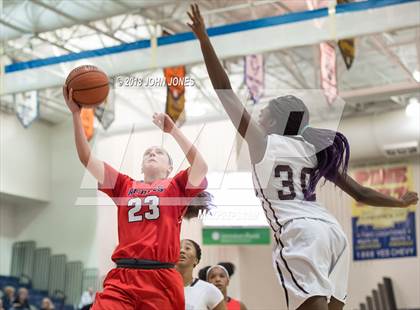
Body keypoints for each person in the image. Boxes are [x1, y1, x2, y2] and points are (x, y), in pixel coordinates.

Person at [187, 4, 419, 310]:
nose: (259, 113)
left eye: (264, 112)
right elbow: (361, 192)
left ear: (274, 122)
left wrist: (204, 39)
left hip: (299, 233)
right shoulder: (315, 150)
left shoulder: (262, 142)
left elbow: (225, 92)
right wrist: (399, 203)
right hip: (333, 234)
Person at [63, 85, 208, 310]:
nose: (152, 153)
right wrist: (75, 114)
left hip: (161, 279)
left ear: (169, 167)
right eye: (147, 153)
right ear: (141, 165)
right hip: (123, 276)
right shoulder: (123, 184)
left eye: (158, 152)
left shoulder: (176, 186)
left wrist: (173, 131)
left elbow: (201, 165)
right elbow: (86, 158)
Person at [176, 239, 225, 310]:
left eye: (187, 248)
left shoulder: (209, 290)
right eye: (178, 248)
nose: (182, 251)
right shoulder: (162, 287)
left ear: (196, 260)